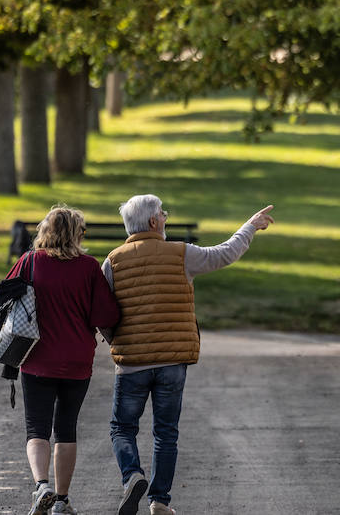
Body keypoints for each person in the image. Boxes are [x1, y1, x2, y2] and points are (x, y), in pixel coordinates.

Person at [101, 194, 275, 515]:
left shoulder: (112, 262)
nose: (165, 218)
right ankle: (160, 502)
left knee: (123, 428)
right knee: (165, 432)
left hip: (132, 362)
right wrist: (250, 227)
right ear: (153, 222)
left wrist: (116, 340)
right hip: (172, 363)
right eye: (163, 214)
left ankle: (132, 476)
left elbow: (103, 313)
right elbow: (224, 253)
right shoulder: (181, 254)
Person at [0, 204, 121, 515]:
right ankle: (62, 501)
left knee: (36, 428)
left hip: (36, 358)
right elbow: (105, 314)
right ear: (77, 234)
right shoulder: (88, 267)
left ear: (45, 231)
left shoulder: (29, 263)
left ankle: (42, 486)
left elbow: (1, 299)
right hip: (77, 362)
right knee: (66, 429)